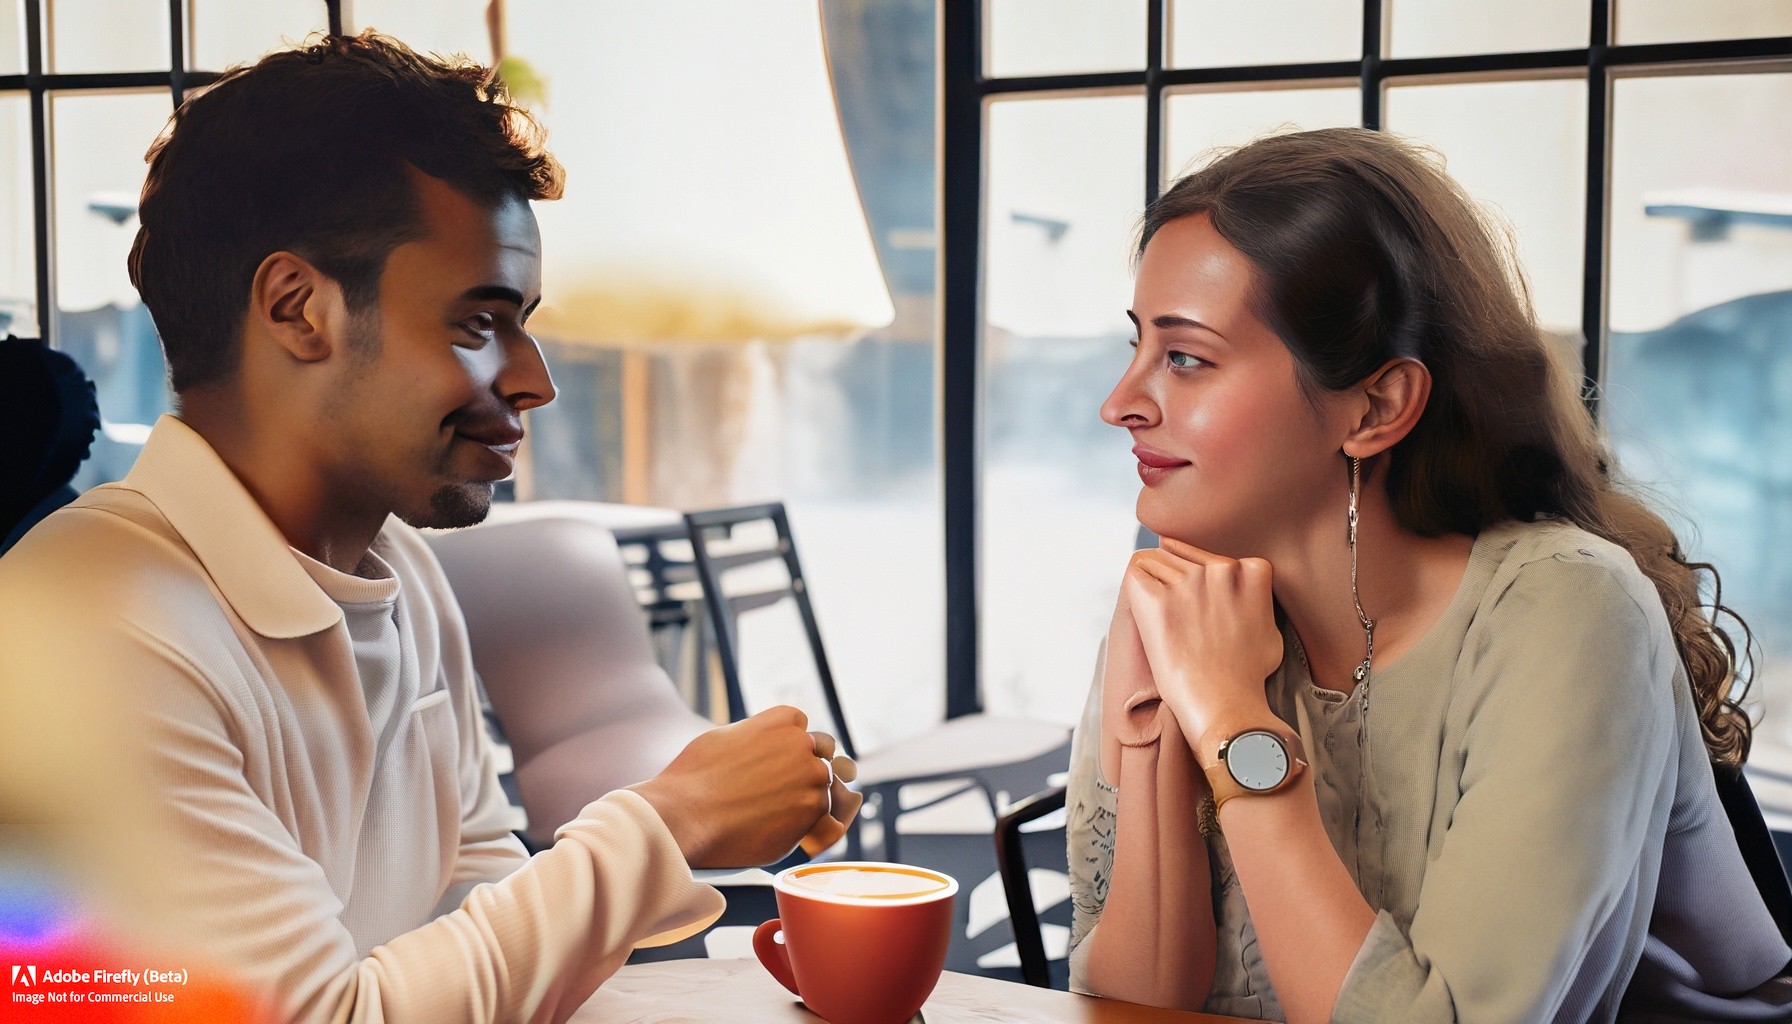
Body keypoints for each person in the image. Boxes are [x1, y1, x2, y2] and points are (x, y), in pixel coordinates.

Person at [0, 34, 859, 1023]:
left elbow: (479, 924)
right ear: (296, 309)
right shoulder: (81, 625)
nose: (534, 378)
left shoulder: (401, 570)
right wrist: (672, 819)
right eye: (476, 322)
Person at [1064, 127, 1792, 1023]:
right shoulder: (1184, 604)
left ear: (1376, 406)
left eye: (1185, 358)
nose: (1120, 403)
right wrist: (1157, 733)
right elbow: (1134, 1004)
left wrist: (1231, 722)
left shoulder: (1568, 610)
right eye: (1137, 347)